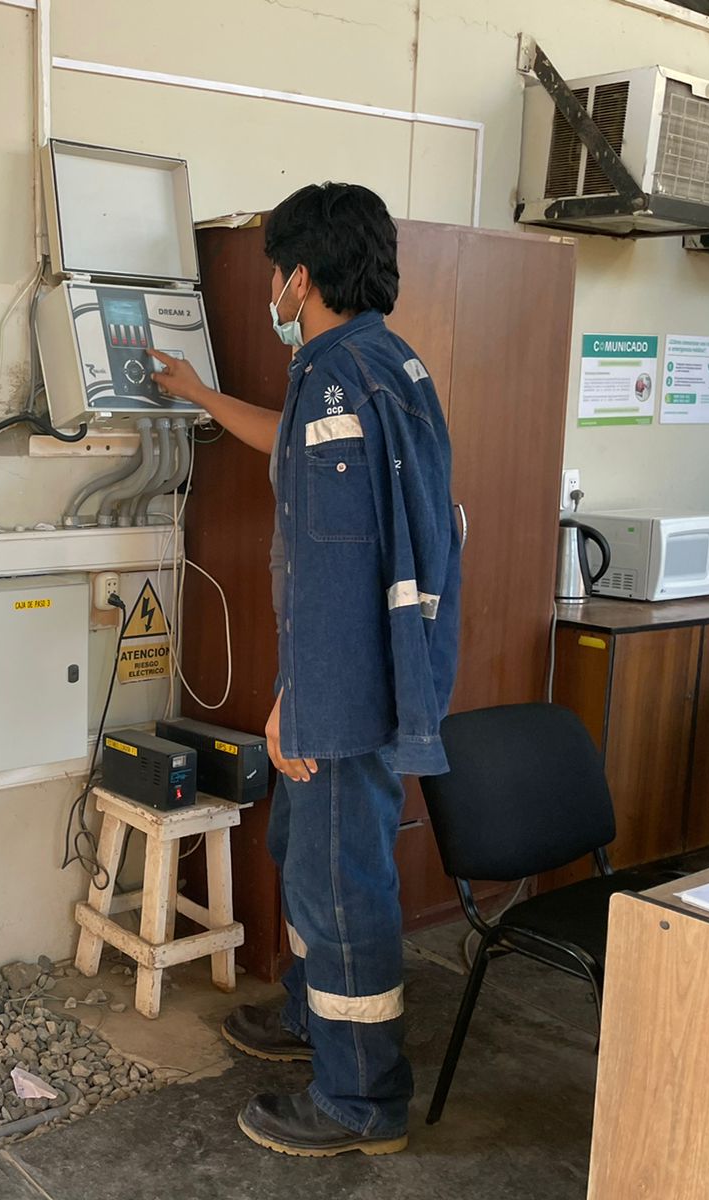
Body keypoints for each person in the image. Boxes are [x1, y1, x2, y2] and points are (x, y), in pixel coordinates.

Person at [148, 182, 461, 1158]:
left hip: (344, 685)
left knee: (340, 883)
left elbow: (335, 566)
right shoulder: (382, 363)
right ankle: (306, 1013)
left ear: (300, 275)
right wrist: (197, 395)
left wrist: (297, 704)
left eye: (274, 271)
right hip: (387, 667)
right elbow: (300, 457)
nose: (269, 293)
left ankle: (359, 1101)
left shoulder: (336, 380)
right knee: (308, 848)